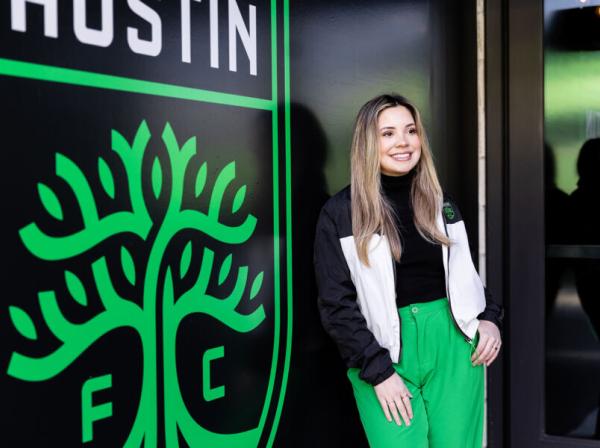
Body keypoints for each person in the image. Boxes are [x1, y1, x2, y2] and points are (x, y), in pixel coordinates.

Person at [313, 93, 504, 447]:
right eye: (388, 134)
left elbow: (466, 279)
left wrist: (490, 317)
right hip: (382, 352)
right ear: (368, 143)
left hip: (454, 346)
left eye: (411, 130)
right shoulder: (341, 213)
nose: (403, 142)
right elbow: (335, 304)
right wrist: (378, 371)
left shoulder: (440, 203)